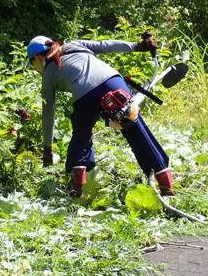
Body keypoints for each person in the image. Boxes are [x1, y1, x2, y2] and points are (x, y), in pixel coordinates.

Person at [26, 35, 175, 197]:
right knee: (135, 129)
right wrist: (137, 46)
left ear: (38, 57)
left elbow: (48, 113)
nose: (35, 68)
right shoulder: (75, 44)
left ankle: (77, 190)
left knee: (81, 137)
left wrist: (47, 149)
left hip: (85, 96)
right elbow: (106, 45)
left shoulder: (48, 73)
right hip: (113, 82)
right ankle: (166, 186)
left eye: (32, 64)